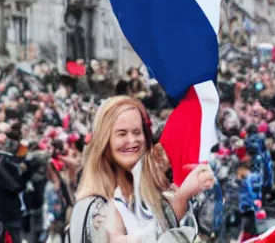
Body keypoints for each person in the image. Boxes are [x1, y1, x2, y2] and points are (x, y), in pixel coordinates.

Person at [68, 97, 216, 243]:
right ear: (105, 142)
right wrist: (181, 198)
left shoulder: (143, 198)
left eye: (137, 132)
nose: (132, 140)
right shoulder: (92, 208)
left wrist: (186, 193)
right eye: (122, 133)